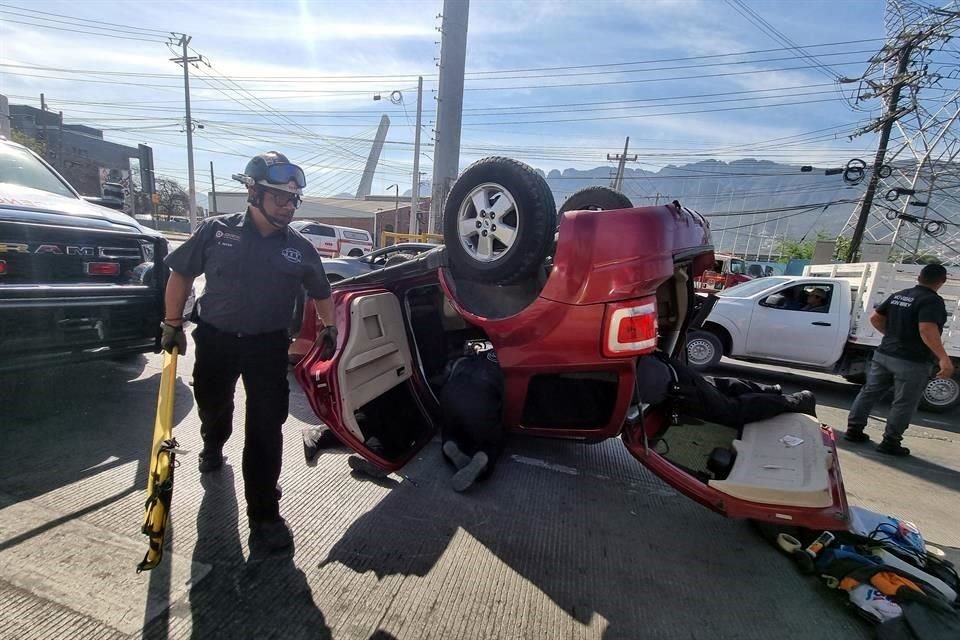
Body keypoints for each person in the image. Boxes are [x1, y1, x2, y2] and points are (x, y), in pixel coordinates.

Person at [160, 151, 338, 552]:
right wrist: (171, 325)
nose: (288, 207)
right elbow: (181, 273)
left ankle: (264, 511)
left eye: (294, 200)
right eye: (280, 198)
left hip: (268, 347)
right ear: (253, 192)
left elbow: (321, 291)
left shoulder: (299, 248)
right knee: (213, 406)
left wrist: (330, 327)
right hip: (217, 340)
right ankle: (212, 443)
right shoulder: (216, 231)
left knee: (264, 427)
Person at [845, 264, 953, 456]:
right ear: (942, 281)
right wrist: (943, 358)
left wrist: (894, 336)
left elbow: (875, 318)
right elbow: (927, 329)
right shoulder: (932, 301)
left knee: (869, 392)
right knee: (904, 402)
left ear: (919, 277)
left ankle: (854, 430)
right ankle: (890, 442)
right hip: (912, 361)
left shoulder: (900, 295)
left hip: (885, 353)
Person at [636, 352, 817, 427]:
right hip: (662, 366)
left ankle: (795, 401)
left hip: (664, 384)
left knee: (726, 409)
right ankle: (769, 391)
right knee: (711, 385)